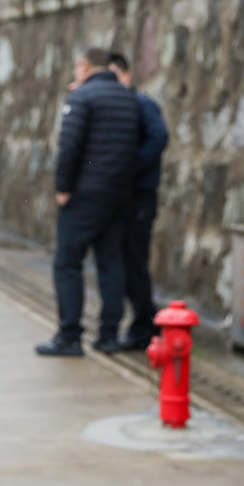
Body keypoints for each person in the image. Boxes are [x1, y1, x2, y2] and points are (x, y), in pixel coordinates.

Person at [36, 47, 141, 356]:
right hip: (118, 196)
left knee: (68, 263)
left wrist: (63, 187)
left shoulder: (82, 97)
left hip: (84, 196)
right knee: (111, 264)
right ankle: (108, 336)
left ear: (84, 66)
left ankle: (70, 336)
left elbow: (69, 146)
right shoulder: (128, 98)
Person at [107, 52, 169, 352]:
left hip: (140, 197)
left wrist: (128, 166)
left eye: (114, 76)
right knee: (124, 261)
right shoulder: (116, 107)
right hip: (123, 196)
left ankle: (145, 325)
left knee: (134, 261)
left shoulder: (141, 104)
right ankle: (144, 321)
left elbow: (159, 137)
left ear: (127, 75)